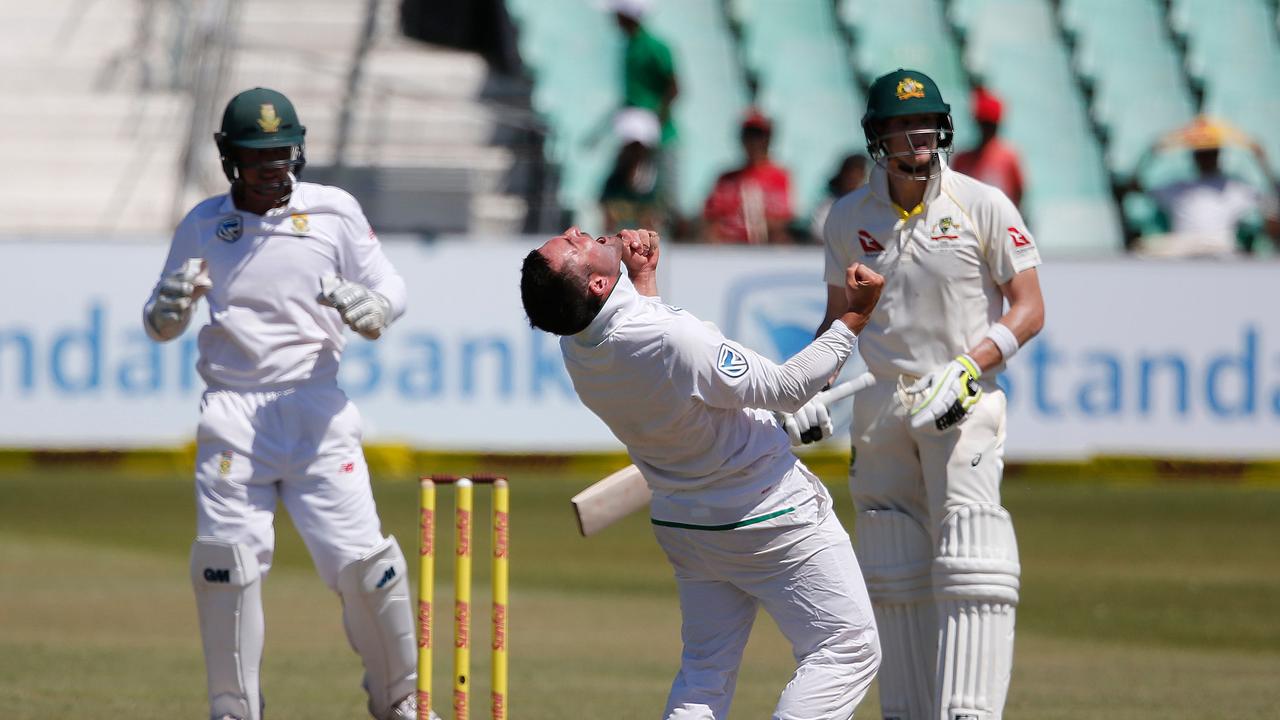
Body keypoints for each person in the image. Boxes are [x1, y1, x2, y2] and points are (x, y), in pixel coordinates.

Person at [520, 226, 883, 719]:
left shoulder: (577, 347)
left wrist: (644, 277)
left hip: (687, 523)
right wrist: (854, 316)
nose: (573, 231)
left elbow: (668, 370)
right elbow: (789, 387)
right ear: (598, 286)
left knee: (705, 672)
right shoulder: (674, 339)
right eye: (570, 244)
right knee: (846, 648)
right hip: (765, 513)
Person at [142, 88, 424, 720]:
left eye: (283, 151)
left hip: (315, 408)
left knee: (367, 568)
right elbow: (163, 319)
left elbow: (390, 284)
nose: (274, 166)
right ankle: (234, 710)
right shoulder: (203, 223)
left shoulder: (335, 211)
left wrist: (376, 307)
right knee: (227, 571)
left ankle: (401, 702)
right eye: (258, 154)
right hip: (233, 415)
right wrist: (163, 312)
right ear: (229, 157)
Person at [791, 69, 1045, 720]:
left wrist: (968, 366)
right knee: (890, 560)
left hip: (962, 401)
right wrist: (809, 388)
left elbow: (1028, 307)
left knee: (970, 557)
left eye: (927, 122)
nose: (919, 136)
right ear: (878, 137)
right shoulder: (848, 217)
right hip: (879, 405)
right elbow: (836, 320)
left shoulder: (981, 204)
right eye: (903, 125)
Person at [1130, 116, 1279, 257]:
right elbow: (1133, 187)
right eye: (1202, 153)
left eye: (1210, 153)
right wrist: (1151, 154)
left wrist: (1261, 160)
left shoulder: (1235, 187)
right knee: (1143, 247)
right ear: (1194, 156)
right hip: (1183, 248)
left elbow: (1272, 199)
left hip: (1221, 248)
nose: (1206, 158)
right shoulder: (1177, 186)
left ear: (1218, 154)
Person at [611, 0, 681, 228]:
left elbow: (673, 87)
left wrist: (655, 123)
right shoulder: (630, 46)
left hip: (656, 134)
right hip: (635, 133)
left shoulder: (653, 47)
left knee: (662, 201)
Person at [702, 110, 795, 244]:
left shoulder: (780, 176)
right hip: (726, 252)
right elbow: (709, 219)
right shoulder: (726, 178)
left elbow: (784, 220)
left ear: (768, 139)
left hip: (765, 250)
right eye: (749, 135)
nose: (754, 141)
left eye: (759, 135)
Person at [950, 86, 1025, 208]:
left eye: (989, 125)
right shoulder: (961, 159)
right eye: (984, 124)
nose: (986, 130)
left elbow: (1019, 193)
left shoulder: (1009, 158)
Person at [601, 107, 667, 234]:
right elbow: (607, 217)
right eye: (629, 148)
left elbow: (652, 222)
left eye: (637, 148)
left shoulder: (652, 182)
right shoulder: (614, 182)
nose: (633, 154)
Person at [810, 153, 869, 242]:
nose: (853, 180)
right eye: (850, 176)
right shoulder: (829, 205)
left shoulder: (872, 204)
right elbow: (819, 231)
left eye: (858, 176)